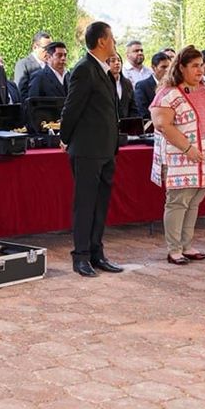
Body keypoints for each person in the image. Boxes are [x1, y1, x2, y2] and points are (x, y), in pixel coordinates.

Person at [149, 46, 205, 265]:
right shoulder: (168, 94)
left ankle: (187, 245)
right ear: (181, 67)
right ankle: (174, 249)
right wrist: (188, 149)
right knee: (178, 202)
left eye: (201, 65)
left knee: (194, 202)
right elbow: (162, 125)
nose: (200, 70)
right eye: (195, 66)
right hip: (181, 159)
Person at [60, 21, 124, 277]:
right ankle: (81, 255)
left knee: (101, 203)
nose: (115, 43)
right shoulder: (84, 69)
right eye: (112, 38)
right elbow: (71, 108)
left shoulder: (105, 71)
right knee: (85, 204)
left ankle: (97, 252)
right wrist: (65, 138)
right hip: (86, 149)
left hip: (106, 149)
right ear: (101, 41)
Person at [14, 30, 52, 99]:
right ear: (35, 47)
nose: (49, 52)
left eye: (51, 48)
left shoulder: (51, 65)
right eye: (46, 48)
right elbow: (21, 93)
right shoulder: (23, 64)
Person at [134, 52, 171, 117]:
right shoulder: (142, 86)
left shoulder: (174, 86)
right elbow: (143, 112)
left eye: (169, 67)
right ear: (154, 68)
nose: (167, 70)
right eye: (163, 67)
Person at [108, 54, 135, 118]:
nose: (117, 63)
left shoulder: (127, 83)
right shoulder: (104, 83)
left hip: (127, 123)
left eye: (119, 60)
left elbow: (133, 106)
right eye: (113, 61)